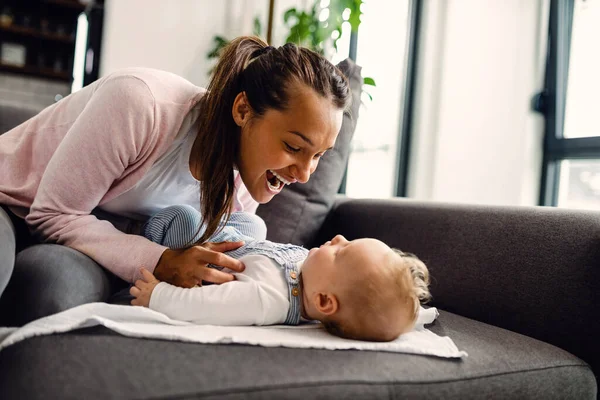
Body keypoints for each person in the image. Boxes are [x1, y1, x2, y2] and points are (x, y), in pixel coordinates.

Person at [0, 35, 352, 324]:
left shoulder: (248, 177)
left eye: (319, 155)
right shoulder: (140, 104)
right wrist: (164, 260)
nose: (305, 173)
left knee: (60, 287)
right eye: (293, 146)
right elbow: (51, 214)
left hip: (90, 246)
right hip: (14, 206)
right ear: (243, 110)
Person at [130, 205, 432, 342]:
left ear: (325, 301)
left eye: (341, 252)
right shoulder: (312, 275)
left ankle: (141, 231)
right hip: (243, 242)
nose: (339, 238)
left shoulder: (267, 299)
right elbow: (383, 303)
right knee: (253, 223)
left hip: (198, 257)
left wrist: (156, 294)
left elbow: (203, 307)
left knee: (183, 218)